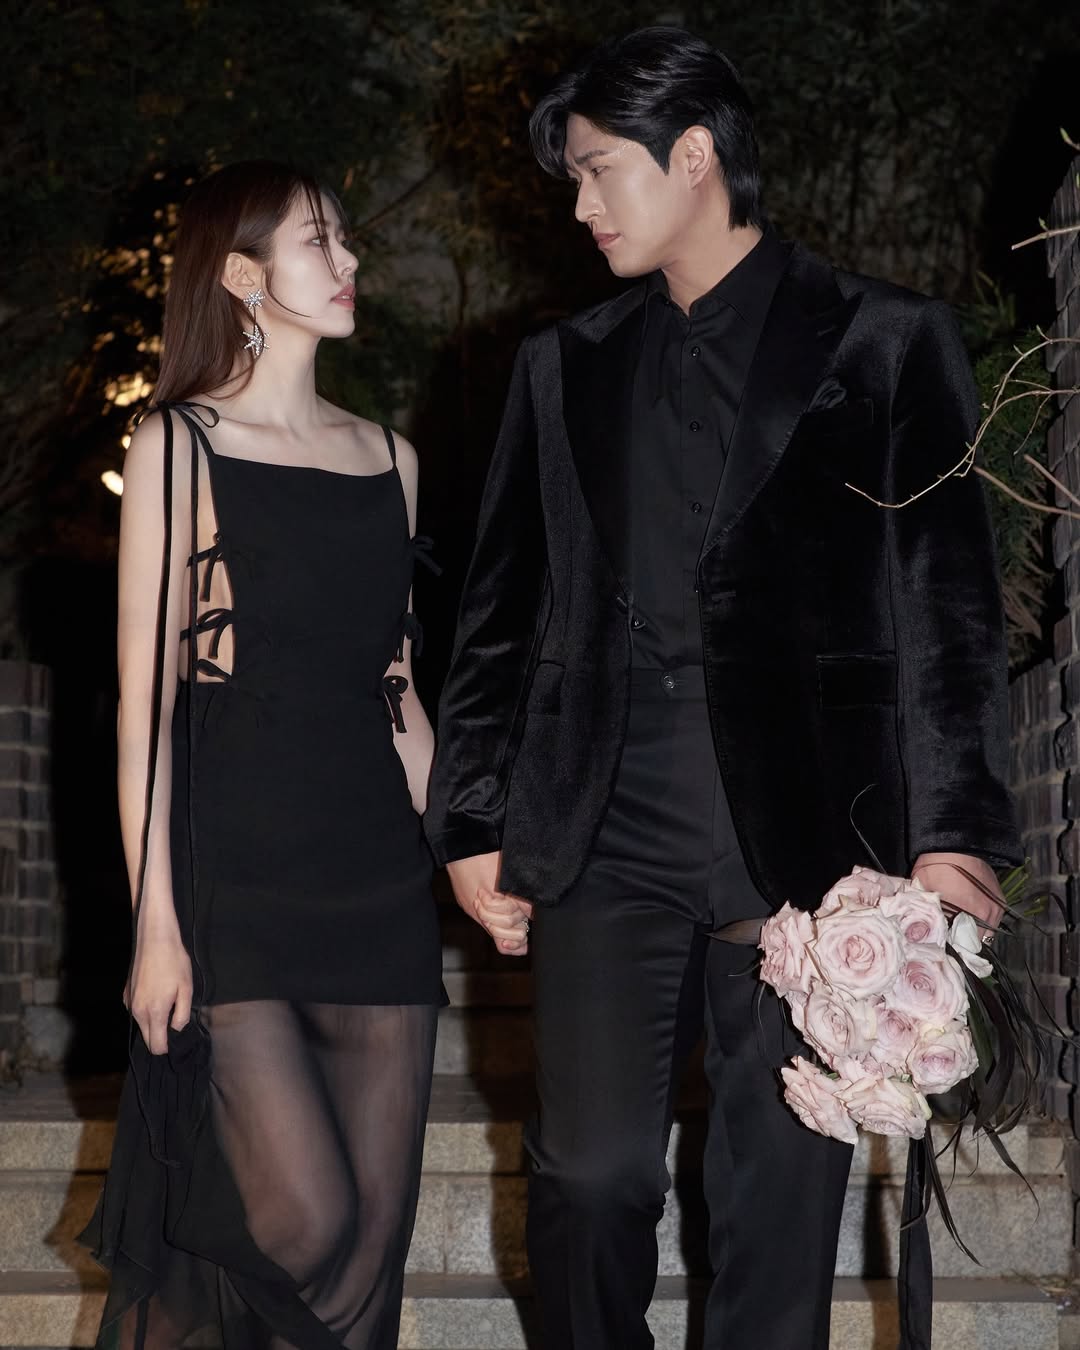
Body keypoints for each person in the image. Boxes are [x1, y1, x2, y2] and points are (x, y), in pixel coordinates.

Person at [425, 26, 1020, 1350]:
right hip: (605, 821)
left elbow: (950, 610)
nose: (580, 205)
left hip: (810, 836)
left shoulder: (889, 340)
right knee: (589, 1173)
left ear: (692, 155)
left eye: (598, 170)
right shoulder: (560, 367)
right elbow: (501, 610)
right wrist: (471, 816)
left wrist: (957, 830)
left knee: (779, 1198)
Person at [82, 160, 445, 1350]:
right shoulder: (177, 445)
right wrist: (155, 926)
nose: (350, 262)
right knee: (304, 1218)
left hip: (377, 883)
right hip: (235, 878)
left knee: (367, 1254)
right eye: (318, 242)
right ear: (242, 277)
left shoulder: (390, 460)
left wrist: (471, 851)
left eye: (346, 240)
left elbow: (398, 688)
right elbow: (144, 708)